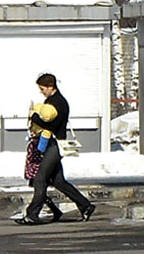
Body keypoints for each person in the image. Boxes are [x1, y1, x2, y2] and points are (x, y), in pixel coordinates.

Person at [16, 73, 95, 224]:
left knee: (40, 179)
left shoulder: (57, 103)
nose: (41, 91)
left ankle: (32, 215)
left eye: (42, 88)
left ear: (50, 87)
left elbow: (50, 125)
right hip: (53, 144)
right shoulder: (54, 101)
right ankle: (85, 205)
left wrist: (33, 116)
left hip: (54, 145)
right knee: (58, 181)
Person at [23, 102, 62, 221]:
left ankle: (33, 214)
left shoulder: (44, 129)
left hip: (38, 159)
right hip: (36, 157)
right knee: (43, 185)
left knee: (39, 184)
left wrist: (39, 150)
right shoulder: (40, 122)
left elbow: (42, 142)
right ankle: (55, 210)